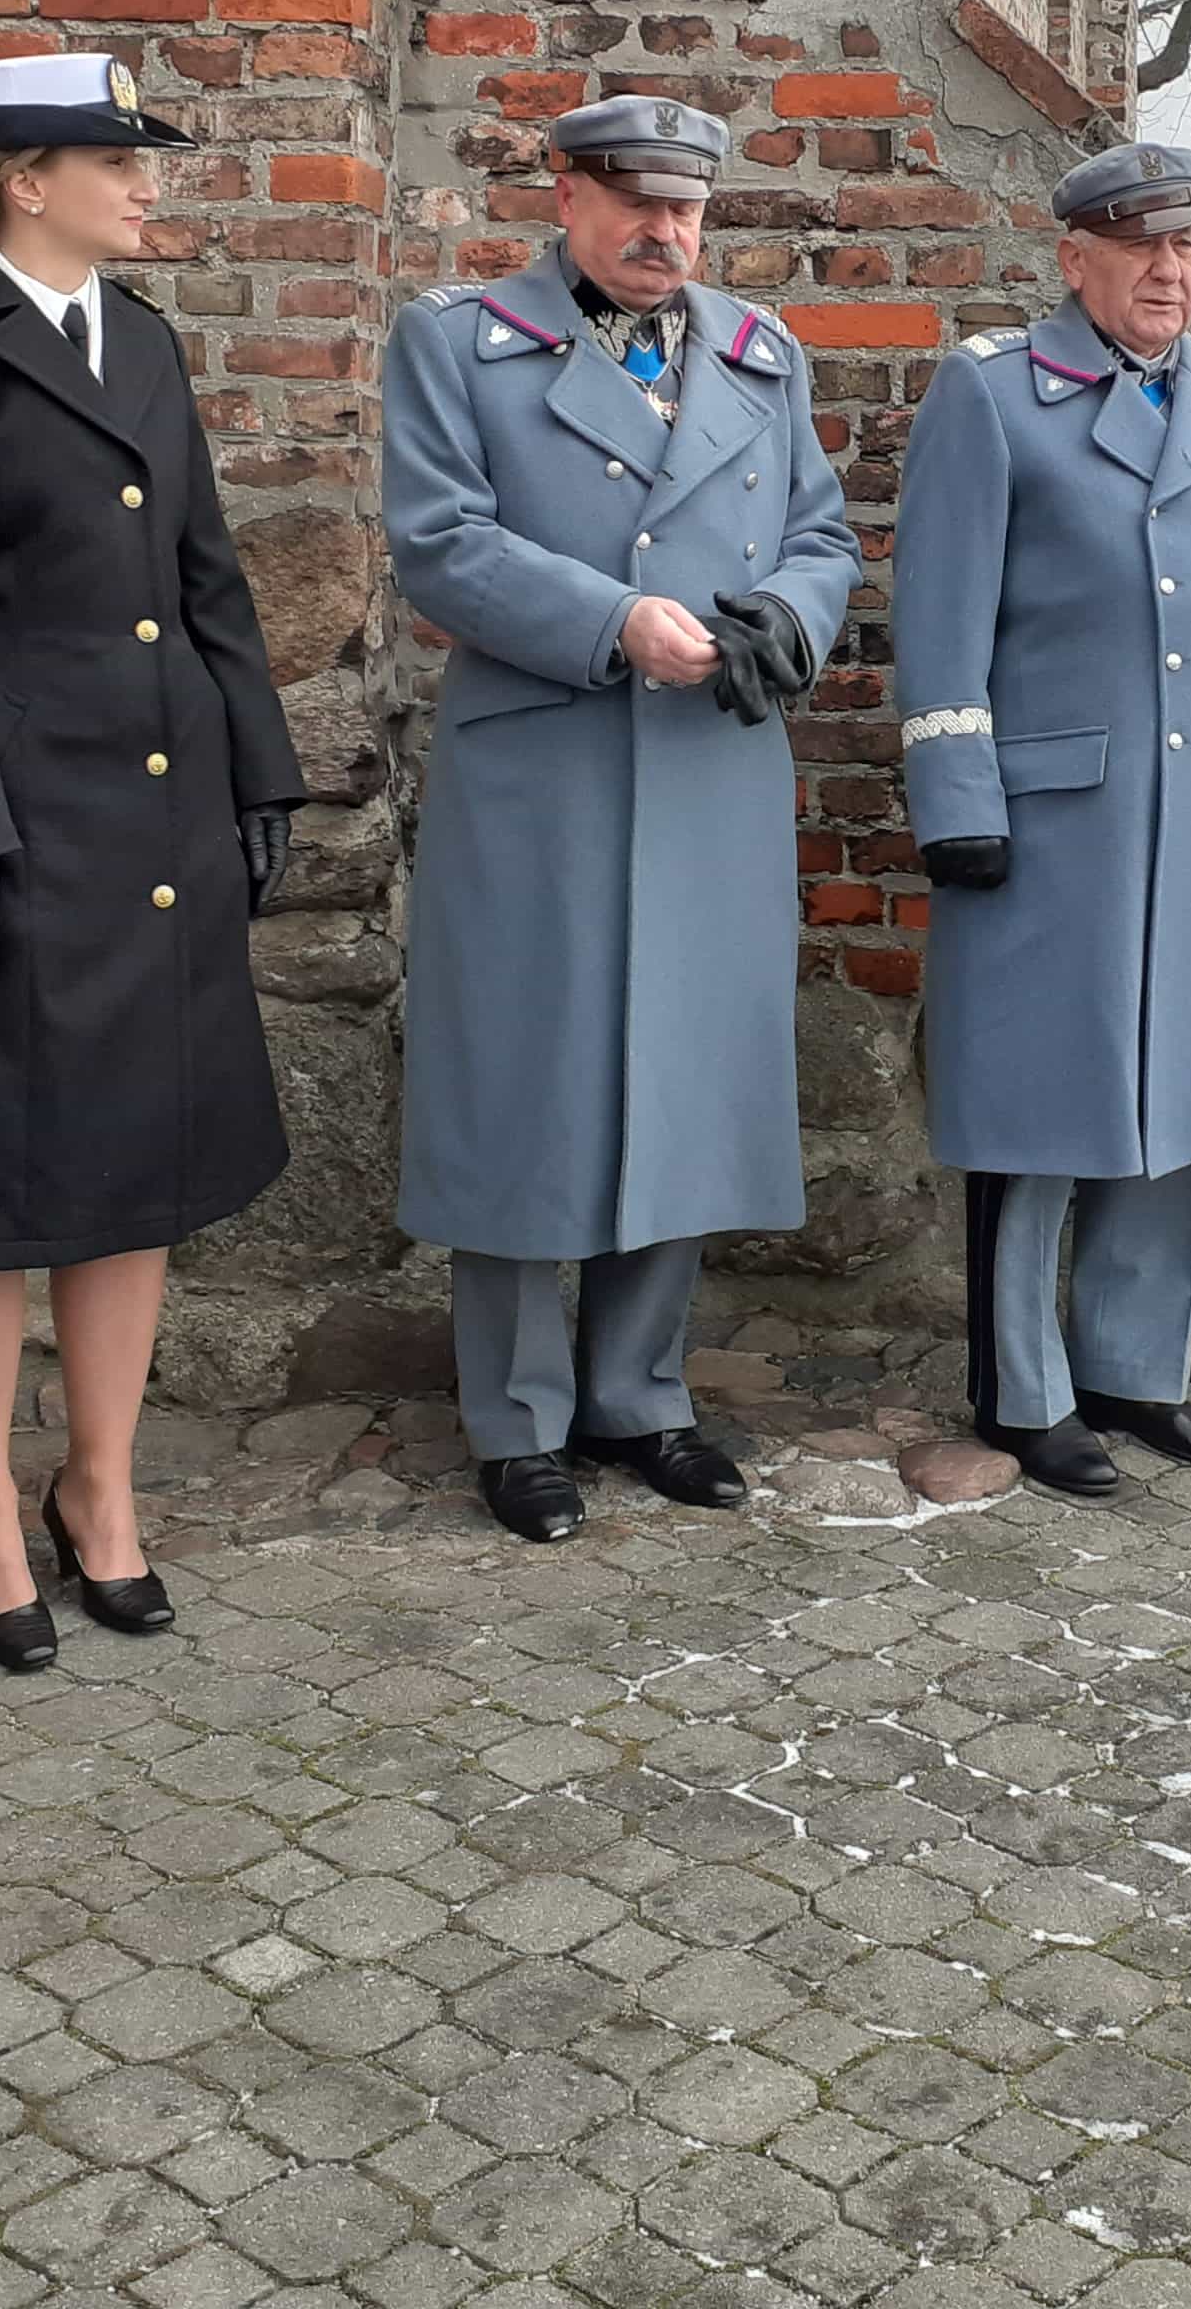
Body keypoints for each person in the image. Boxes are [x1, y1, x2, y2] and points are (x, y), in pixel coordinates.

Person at [0, 53, 306, 1667]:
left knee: (130, 1164)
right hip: (7, 831)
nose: (147, 181)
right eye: (117, 159)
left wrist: (259, 768)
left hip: (155, 819)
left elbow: (207, 574)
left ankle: (100, 1486)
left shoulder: (142, 341)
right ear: (22, 182)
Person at [382, 94, 858, 1544]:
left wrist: (790, 617)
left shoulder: (760, 353)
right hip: (544, 769)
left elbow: (822, 535)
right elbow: (440, 541)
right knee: (522, 1081)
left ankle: (641, 1393)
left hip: (710, 766)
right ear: (570, 197)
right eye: (637, 203)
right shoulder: (459, 342)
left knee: (684, 1075)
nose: (665, 233)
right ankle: (515, 1416)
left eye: (687, 209)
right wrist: (613, 621)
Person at [894, 141, 1191, 1499]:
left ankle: (1139, 1367)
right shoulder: (994, 394)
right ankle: (1024, 1392)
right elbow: (940, 616)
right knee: (1041, 1106)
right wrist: (956, 796)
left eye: (1183, 245)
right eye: (1139, 245)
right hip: (1060, 817)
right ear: (1074, 258)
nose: (1166, 269)